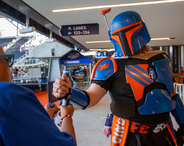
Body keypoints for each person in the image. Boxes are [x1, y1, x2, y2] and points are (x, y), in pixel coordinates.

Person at [53, 10, 184, 146]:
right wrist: (68, 92)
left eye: (128, 30)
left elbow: (172, 96)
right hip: (129, 136)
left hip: (164, 133)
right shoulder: (110, 65)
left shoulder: (161, 58)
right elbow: (90, 98)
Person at [0, 34, 76, 146]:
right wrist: (66, 116)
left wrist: (38, 119)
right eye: (7, 60)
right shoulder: (5, 95)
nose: (10, 67)